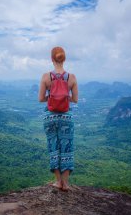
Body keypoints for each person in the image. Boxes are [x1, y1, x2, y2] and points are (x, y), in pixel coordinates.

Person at [38, 46, 78, 191]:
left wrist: (52, 97)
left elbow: (41, 98)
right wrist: (64, 97)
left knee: (53, 146)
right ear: (64, 58)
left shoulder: (45, 77)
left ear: (51, 58)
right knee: (66, 147)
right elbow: (76, 99)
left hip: (50, 117)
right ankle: (66, 184)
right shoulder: (71, 77)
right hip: (66, 117)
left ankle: (58, 182)